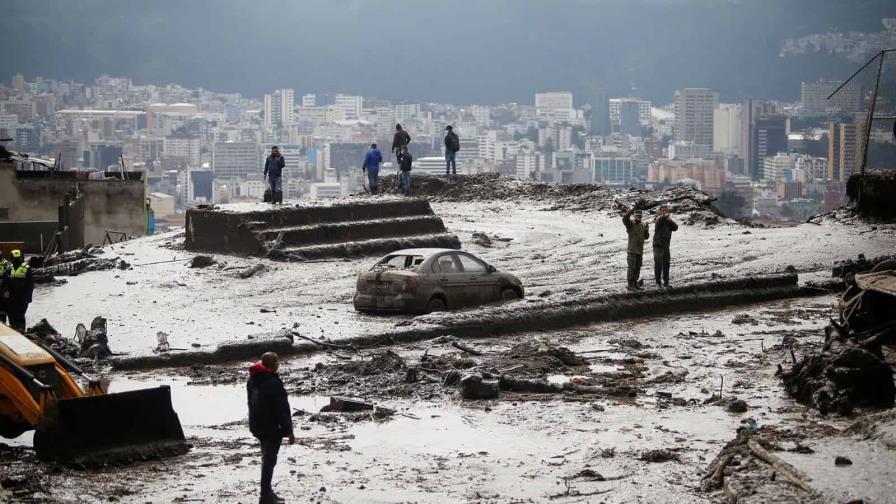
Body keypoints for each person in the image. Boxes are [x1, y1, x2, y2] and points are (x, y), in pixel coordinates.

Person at [247, 352, 295, 504]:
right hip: (271, 428)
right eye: (277, 362)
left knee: (266, 458)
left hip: (257, 425)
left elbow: (251, 403)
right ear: (274, 364)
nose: (279, 364)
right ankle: (265, 495)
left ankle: (266, 492)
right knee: (269, 461)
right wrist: (289, 432)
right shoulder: (273, 383)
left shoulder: (252, 379)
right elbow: (282, 410)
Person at [2, 250, 33, 331]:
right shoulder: (26, 268)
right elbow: (31, 284)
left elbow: (5, 283)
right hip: (20, 298)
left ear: (11, 257)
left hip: (15, 298)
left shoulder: (10, 268)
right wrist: (29, 297)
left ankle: (17, 332)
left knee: (14, 317)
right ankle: (20, 331)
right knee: (19, 316)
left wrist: (5, 291)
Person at [622, 208, 649, 291]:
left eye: (640, 216)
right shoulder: (630, 224)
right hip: (632, 251)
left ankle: (635, 283)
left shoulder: (643, 225)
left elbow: (646, 237)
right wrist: (629, 212)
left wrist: (647, 229)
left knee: (638, 267)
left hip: (639, 251)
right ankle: (630, 285)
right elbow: (625, 220)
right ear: (634, 215)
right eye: (636, 215)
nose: (638, 217)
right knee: (631, 268)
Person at [652, 205, 679, 289]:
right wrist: (663, 217)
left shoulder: (668, 221)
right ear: (660, 211)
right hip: (658, 245)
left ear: (668, 211)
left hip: (666, 246)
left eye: (666, 210)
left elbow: (675, 228)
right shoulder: (658, 219)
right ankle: (658, 283)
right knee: (658, 264)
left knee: (666, 264)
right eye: (662, 210)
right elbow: (658, 219)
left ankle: (666, 282)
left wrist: (669, 220)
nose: (664, 212)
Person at [0, 250, 10, 325]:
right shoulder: (6, 263)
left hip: (4, 286)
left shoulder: (5, 263)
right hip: (4, 285)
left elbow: (9, 275)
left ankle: (3, 323)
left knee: (3, 307)